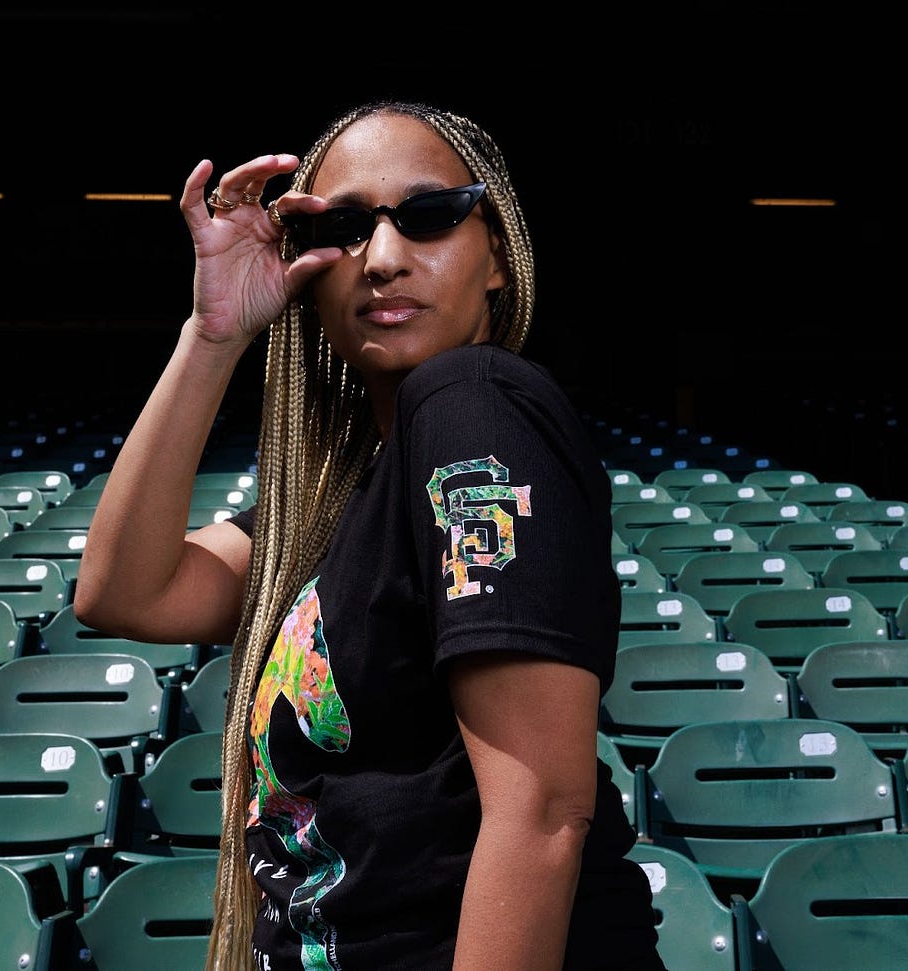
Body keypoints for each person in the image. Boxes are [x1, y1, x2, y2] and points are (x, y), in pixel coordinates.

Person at [74, 99, 663, 971]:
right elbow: (124, 592)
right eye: (345, 227)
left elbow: (540, 812)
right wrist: (214, 333)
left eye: (429, 217)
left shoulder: (471, 402)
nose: (383, 258)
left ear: (495, 254)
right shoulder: (347, 492)